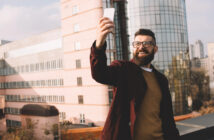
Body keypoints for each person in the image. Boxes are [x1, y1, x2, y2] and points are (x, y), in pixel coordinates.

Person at [90, 17, 180, 140]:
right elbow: (99, 73)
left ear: (155, 49)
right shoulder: (123, 69)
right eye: (137, 43)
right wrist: (99, 44)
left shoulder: (161, 79)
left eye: (147, 43)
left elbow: (168, 117)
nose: (141, 47)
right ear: (133, 47)